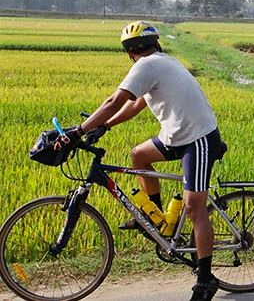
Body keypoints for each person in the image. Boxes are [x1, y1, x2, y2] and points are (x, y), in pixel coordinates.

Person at [65, 21, 223, 301]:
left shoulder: (146, 65)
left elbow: (115, 100)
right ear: (156, 43)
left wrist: (80, 131)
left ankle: (205, 279)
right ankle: (157, 219)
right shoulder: (162, 61)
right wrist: (105, 127)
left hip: (197, 138)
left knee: (195, 208)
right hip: (177, 135)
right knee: (139, 155)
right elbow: (136, 104)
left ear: (129, 52)